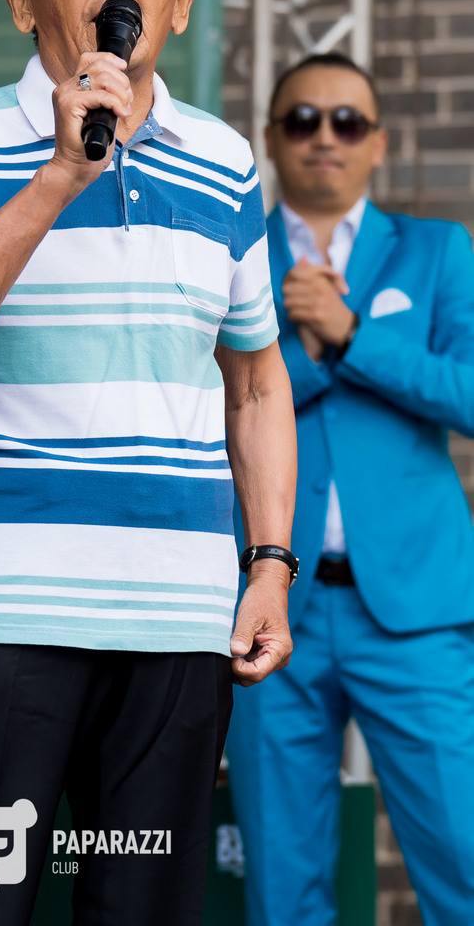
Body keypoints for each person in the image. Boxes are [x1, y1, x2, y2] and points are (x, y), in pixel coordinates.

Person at [0, 0, 298, 926]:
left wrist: (267, 565)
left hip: (175, 624)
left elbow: (256, 382)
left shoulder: (225, 161)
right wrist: (61, 172)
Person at [226, 52, 474, 926]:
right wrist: (306, 351)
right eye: (302, 120)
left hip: (413, 611)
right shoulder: (234, 255)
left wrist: (353, 334)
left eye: (347, 121)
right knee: (282, 887)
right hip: (269, 606)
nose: (323, 137)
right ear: (270, 139)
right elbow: (208, 409)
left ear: (378, 143)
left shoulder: (436, 251)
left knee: (464, 861)